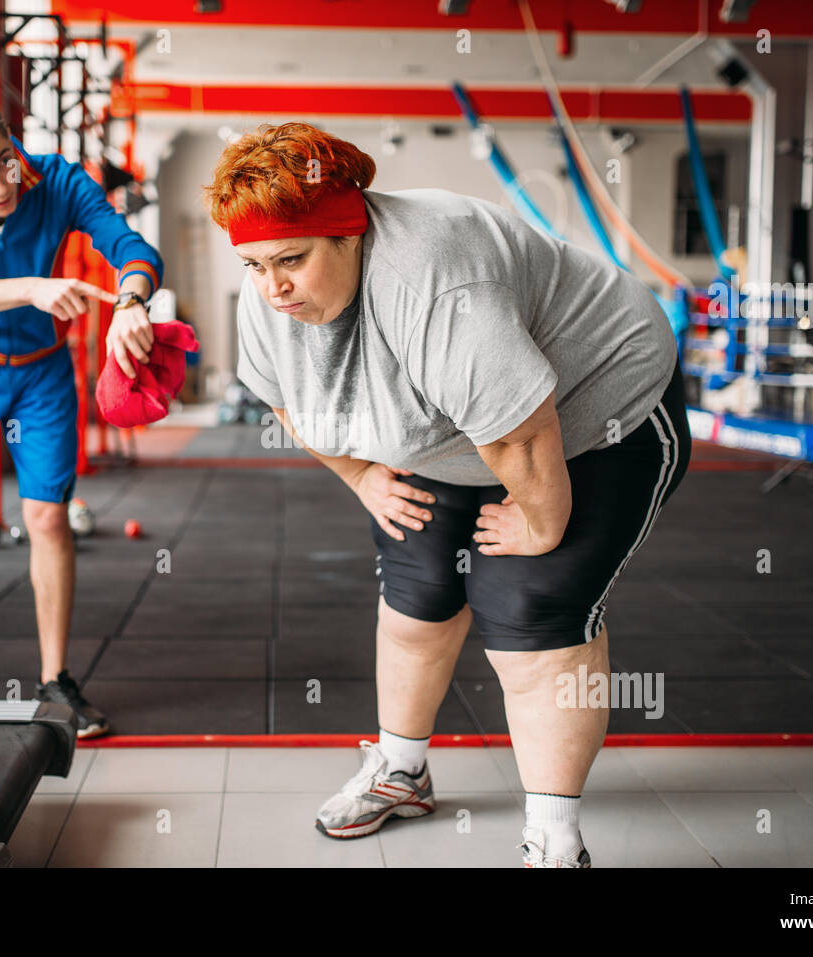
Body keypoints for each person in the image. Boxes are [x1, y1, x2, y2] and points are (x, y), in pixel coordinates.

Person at [202, 122, 691, 866]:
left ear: (349, 234)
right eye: (255, 264)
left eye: (292, 260)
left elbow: (524, 436)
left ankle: (555, 838)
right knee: (418, 587)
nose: (273, 287)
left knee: (530, 605)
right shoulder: (271, 300)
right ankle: (402, 770)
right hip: (458, 433)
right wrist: (363, 475)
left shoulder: (434, 277)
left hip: (599, 414)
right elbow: (289, 406)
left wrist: (542, 521)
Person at [0, 88, 162, 737]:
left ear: (9, 139)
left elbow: (130, 246)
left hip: (42, 372)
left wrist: (132, 301)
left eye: (2, 161)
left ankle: (55, 680)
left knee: (46, 517)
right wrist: (33, 289)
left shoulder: (60, 180)